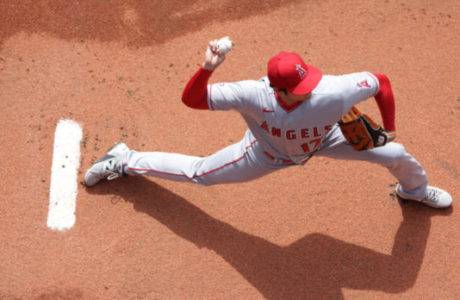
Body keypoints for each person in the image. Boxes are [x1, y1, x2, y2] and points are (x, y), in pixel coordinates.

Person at [84, 38, 452, 209]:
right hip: (265, 153)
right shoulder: (251, 95)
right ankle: (124, 158)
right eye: (300, 89)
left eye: (309, 82)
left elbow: (381, 82)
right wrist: (208, 68)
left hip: (329, 140)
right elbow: (192, 100)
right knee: (200, 173)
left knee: (396, 152)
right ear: (278, 89)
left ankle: (414, 191)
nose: (309, 91)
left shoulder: (333, 91)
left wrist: (389, 127)